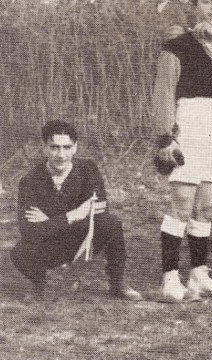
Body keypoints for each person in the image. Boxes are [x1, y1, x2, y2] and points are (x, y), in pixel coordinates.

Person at [152, 0, 212, 303]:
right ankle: (170, 278)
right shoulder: (177, 45)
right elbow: (163, 94)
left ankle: (199, 273)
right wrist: (165, 138)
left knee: (208, 205)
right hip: (189, 126)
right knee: (182, 205)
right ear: (195, 6)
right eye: (207, 1)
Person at [10, 121, 142, 300]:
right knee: (20, 252)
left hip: (79, 237)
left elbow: (99, 213)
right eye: (54, 147)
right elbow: (28, 231)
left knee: (111, 223)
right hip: (52, 244)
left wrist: (49, 219)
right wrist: (73, 214)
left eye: (67, 147)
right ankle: (40, 284)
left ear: (75, 147)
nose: (61, 155)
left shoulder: (88, 170)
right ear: (45, 148)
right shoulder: (30, 181)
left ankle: (117, 282)